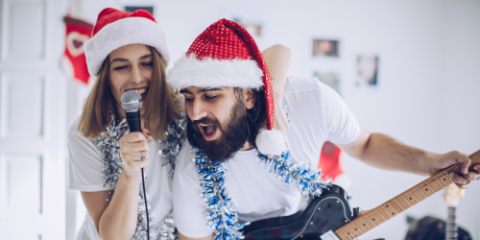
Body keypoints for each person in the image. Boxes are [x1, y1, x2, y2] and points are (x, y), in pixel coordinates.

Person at [168, 19, 480, 240]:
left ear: (249, 95)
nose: (195, 112)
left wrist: (430, 162)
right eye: (189, 97)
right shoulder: (190, 171)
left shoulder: (310, 101)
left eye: (211, 95)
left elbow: (366, 144)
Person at [68, 9, 289, 240]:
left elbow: (280, 52)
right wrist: (130, 173)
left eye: (146, 64)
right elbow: (112, 236)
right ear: (105, 76)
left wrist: (274, 100)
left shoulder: (189, 108)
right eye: (121, 67)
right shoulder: (84, 133)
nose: (136, 77)